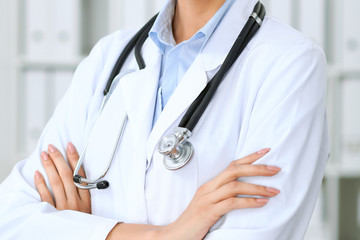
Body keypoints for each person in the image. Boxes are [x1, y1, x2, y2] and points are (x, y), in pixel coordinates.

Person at [0, 0, 329, 239]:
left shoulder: (290, 64)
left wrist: (81, 231)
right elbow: (10, 216)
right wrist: (163, 236)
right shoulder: (110, 56)